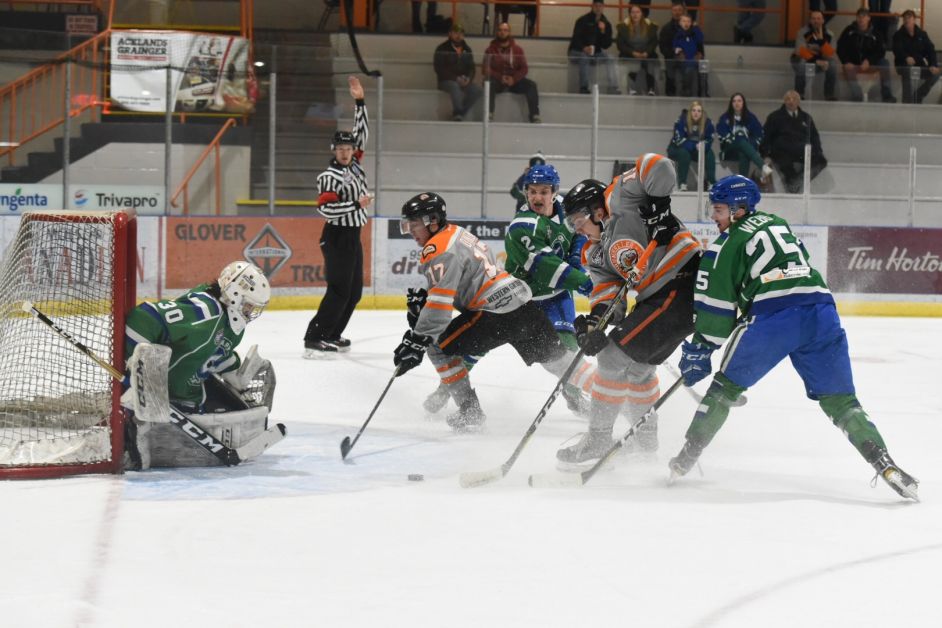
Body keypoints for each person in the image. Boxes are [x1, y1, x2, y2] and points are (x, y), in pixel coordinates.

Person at [668, 175, 918, 502]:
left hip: (774, 318)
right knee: (842, 402)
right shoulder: (778, 223)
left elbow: (716, 314)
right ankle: (884, 462)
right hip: (821, 311)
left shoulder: (726, 244)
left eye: (718, 209)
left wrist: (700, 351)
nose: (713, 217)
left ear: (739, 209)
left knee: (725, 388)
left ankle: (687, 456)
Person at [555, 154, 701, 465]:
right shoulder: (594, 253)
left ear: (596, 210)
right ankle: (646, 441)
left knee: (612, 357)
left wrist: (659, 206)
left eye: (577, 221)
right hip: (659, 298)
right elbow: (609, 294)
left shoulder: (621, 197)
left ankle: (597, 439)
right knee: (637, 370)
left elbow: (659, 166)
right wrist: (595, 321)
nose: (577, 230)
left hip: (685, 282)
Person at [395, 192, 580, 431]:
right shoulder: (456, 233)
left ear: (431, 220)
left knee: (438, 348)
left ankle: (469, 412)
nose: (409, 230)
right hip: (523, 305)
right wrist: (428, 305)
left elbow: (441, 304)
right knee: (561, 362)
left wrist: (418, 339)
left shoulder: (437, 247)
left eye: (413, 224)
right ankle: (614, 396)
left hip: (494, 314)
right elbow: (453, 289)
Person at [122, 261, 278, 469]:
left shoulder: (232, 324)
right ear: (234, 295)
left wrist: (234, 372)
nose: (250, 313)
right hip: (161, 399)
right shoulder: (206, 311)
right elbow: (144, 318)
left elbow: (214, 351)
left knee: (236, 419)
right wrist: (138, 367)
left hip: (188, 400)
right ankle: (129, 423)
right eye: (249, 305)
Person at [304, 76, 370, 356]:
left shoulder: (354, 166)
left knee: (354, 292)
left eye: (349, 148)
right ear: (334, 150)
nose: (345, 152)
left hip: (353, 235)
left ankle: (333, 333)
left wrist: (360, 102)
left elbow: (362, 132)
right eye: (341, 149)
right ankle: (314, 337)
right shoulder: (329, 176)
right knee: (339, 289)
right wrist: (356, 204)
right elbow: (325, 209)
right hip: (337, 236)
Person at [759, 90, 827, 194]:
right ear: (784, 101)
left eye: (794, 99)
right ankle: (792, 183)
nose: (791, 101)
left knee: (821, 161)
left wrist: (818, 151)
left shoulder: (806, 117)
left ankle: (797, 181)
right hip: (782, 150)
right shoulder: (775, 117)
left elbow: (814, 137)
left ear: (799, 101)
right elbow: (766, 136)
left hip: (801, 150)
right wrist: (765, 154)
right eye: (788, 99)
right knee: (784, 162)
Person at [484, 22, 541, 123]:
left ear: (509, 33)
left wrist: (514, 79)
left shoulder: (517, 50)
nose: (502, 32)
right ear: (497, 32)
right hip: (498, 81)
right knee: (489, 83)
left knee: (531, 85)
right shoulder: (490, 50)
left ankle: (534, 115)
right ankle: (489, 114)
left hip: (514, 81)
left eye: (505, 30)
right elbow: (485, 68)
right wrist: (500, 77)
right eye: (500, 30)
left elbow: (524, 68)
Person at [836, 8, 896, 103]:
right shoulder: (848, 31)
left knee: (884, 63)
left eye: (864, 16)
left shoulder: (876, 33)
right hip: (852, 64)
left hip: (870, 64)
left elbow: (880, 51)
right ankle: (857, 96)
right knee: (847, 68)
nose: (861, 19)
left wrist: (869, 61)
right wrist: (846, 61)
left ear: (869, 18)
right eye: (859, 16)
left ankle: (887, 95)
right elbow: (840, 48)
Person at [567, 0, 620, 95]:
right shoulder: (582, 20)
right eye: (596, 5)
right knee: (584, 57)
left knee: (610, 58)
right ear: (592, 6)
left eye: (600, 6)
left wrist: (603, 31)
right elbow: (575, 39)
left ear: (603, 7)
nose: (598, 8)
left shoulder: (606, 24)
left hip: (595, 53)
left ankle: (613, 87)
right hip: (576, 51)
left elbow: (606, 45)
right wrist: (584, 48)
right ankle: (584, 87)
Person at [716, 92, 772, 181]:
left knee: (743, 152)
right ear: (731, 104)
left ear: (743, 103)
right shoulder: (725, 118)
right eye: (734, 101)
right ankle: (762, 166)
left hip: (746, 150)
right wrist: (736, 140)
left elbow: (759, 134)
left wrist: (749, 143)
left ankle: (743, 183)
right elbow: (722, 135)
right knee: (741, 140)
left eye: (739, 101)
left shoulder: (751, 117)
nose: (737, 103)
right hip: (730, 151)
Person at [433, 22, 482, 121]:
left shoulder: (467, 49)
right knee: (454, 86)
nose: (458, 36)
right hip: (446, 81)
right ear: (450, 34)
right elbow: (439, 68)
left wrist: (468, 78)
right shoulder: (442, 48)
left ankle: (460, 113)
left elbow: (471, 67)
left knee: (478, 90)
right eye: (455, 33)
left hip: (464, 80)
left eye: (461, 33)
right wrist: (455, 78)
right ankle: (458, 113)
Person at [891, 9, 940, 104]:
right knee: (907, 70)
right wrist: (906, 57)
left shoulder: (922, 34)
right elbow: (897, 50)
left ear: (914, 20)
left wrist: (933, 64)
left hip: (919, 65)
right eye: (905, 18)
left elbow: (930, 50)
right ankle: (907, 101)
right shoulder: (898, 35)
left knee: (936, 73)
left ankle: (918, 96)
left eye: (909, 18)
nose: (907, 20)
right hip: (903, 65)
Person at [667, 101, 716, 191]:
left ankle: (712, 182)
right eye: (693, 110)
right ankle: (682, 183)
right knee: (684, 153)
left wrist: (703, 146)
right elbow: (679, 140)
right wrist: (695, 145)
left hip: (695, 150)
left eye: (699, 111)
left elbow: (709, 140)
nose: (696, 113)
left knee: (709, 153)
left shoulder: (708, 122)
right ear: (690, 112)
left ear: (702, 113)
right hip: (677, 149)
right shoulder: (681, 120)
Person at [791, 10, 838, 101]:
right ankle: (799, 94)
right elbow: (801, 51)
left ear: (823, 20)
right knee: (801, 64)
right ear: (810, 21)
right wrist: (817, 60)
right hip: (803, 60)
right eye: (813, 19)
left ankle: (829, 95)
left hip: (822, 61)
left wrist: (821, 41)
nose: (816, 21)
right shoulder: (802, 32)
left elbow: (831, 54)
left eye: (818, 18)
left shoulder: (830, 34)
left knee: (832, 65)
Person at [615, 4, 659, 96]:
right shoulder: (623, 27)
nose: (635, 14)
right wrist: (633, 53)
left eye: (637, 12)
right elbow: (620, 45)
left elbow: (653, 42)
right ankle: (632, 88)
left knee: (650, 61)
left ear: (641, 14)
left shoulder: (650, 27)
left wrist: (647, 52)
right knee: (632, 61)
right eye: (633, 12)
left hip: (646, 54)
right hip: (630, 54)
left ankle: (651, 89)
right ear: (630, 14)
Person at [672, 13, 706, 97]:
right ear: (680, 22)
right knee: (679, 87)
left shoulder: (694, 33)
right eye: (683, 21)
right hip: (680, 66)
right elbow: (674, 46)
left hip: (693, 65)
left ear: (691, 23)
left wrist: (696, 27)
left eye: (688, 21)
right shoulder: (677, 34)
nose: (686, 23)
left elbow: (700, 39)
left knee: (694, 87)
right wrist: (677, 51)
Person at [658, 1, 687, 97]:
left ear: (683, 11)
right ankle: (670, 93)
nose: (677, 12)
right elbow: (663, 47)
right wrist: (674, 53)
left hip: (687, 57)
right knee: (670, 67)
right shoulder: (666, 28)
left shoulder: (690, 28)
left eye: (679, 10)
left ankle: (688, 93)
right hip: (671, 57)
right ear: (671, 11)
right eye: (675, 10)